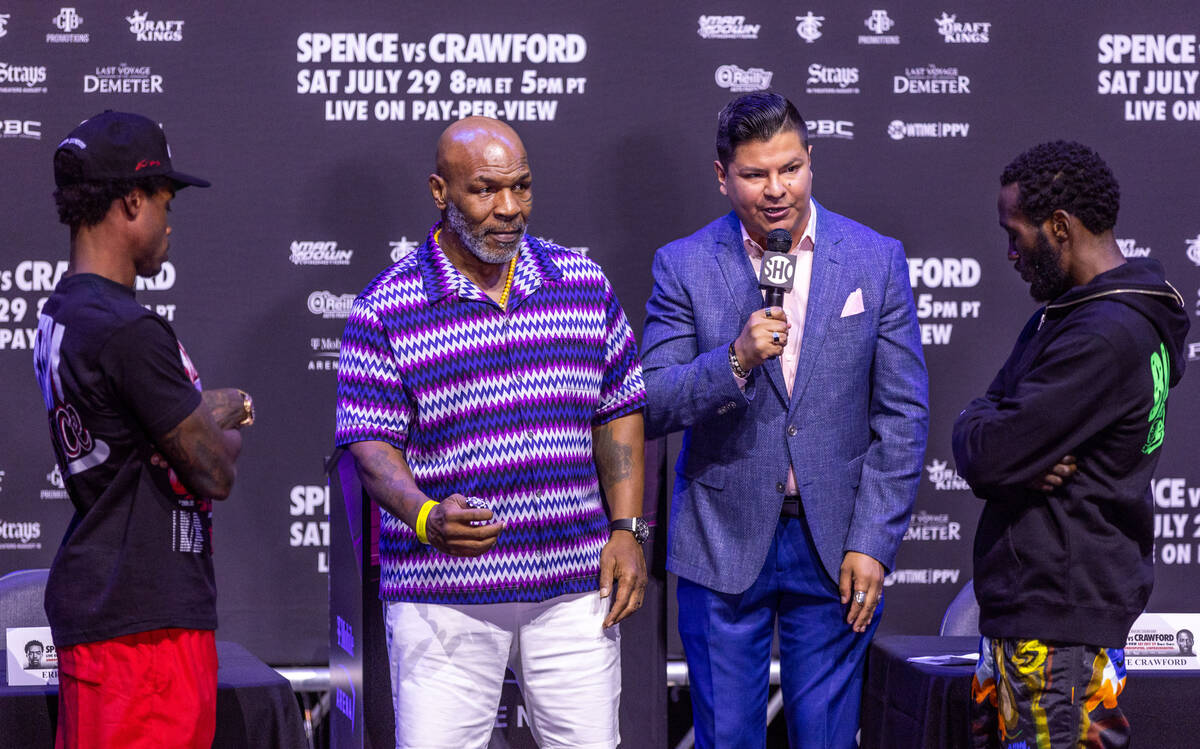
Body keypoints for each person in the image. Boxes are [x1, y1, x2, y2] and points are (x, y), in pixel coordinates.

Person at [334, 116, 648, 749]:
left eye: (521, 186)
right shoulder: (386, 307)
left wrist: (626, 528)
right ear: (439, 191)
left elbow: (619, 406)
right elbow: (371, 445)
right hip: (444, 595)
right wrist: (425, 516)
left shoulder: (581, 283)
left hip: (574, 585)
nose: (508, 208)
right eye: (484, 190)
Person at [642, 92, 929, 748]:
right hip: (721, 537)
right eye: (755, 174)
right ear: (723, 176)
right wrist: (736, 359)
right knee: (727, 739)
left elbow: (903, 414)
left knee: (826, 739)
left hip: (836, 543)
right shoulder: (683, 264)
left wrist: (873, 541)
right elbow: (653, 400)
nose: (777, 190)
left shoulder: (874, 258)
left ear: (810, 160)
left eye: (790, 168)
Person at [953, 140, 1190, 748]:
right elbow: (985, 431)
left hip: (1058, 621)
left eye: (1015, 235)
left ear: (1060, 226)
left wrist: (1000, 443)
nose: (1010, 253)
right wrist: (996, 436)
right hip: (1044, 611)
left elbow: (989, 451)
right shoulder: (1069, 316)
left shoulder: (1105, 334)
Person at [33, 111, 254, 749]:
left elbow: (166, 427)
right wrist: (228, 410)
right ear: (132, 201)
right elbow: (215, 471)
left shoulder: (64, 312)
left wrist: (199, 412)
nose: (169, 222)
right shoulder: (129, 331)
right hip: (144, 632)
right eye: (164, 202)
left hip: (115, 612)